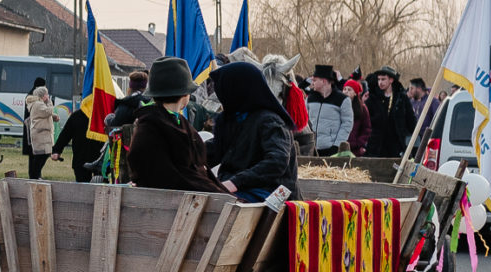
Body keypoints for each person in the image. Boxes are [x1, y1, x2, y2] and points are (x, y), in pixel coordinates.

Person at [121, 57, 224, 194]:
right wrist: (217, 193)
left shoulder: (175, 121)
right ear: (185, 94)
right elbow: (172, 178)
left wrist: (223, 193)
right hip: (173, 200)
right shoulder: (151, 126)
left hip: (191, 195)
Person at [206, 60, 298, 202]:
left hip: (270, 193)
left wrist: (235, 182)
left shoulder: (270, 121)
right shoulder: (232, 119)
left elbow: (276, 162)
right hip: (237, 188)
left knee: (220, 202)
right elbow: (216, 148)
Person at [362, 67, 416, 160]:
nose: (380, 82)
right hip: (376, 145)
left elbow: (410, 120)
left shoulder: (401, 98)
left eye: (383, 79)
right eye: (379, 79)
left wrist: (412, 141)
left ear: (391, 80)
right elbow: (365, 121)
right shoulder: (372, 98)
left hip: (396, 144)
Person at [303, 65, 352, 156]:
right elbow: (305, 121)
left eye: (315, 80)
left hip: (332, 149)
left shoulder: (343, 99)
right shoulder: (309, 98)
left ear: (324, 81)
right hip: (311, 148)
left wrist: (337, 145)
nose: (312, 83)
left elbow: (347, 124)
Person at [50, 101, 102, 182]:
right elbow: (66, 134)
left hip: (96, 158)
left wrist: (57, 150)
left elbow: (65, 134)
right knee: (85, 185)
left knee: (98, 184)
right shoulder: (77, 116)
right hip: (83, 158)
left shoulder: (101, 115)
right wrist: (57, 150)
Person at [22, 78, 58, 180]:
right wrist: (49, 102)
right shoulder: (37, 101)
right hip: (37, 131)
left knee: (38, 155)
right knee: (39, 155)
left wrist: (53, 116)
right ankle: (35, 176)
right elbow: (46, 111)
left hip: (36, 130)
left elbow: (43, 113)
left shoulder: (34, 98)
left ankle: (35, 175)